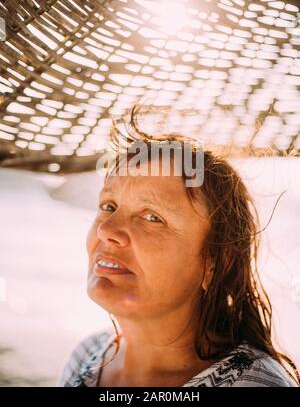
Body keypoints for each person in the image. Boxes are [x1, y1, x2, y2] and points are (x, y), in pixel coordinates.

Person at [58, 103, 299, 387]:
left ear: (217, 261)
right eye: (108, 206)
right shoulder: (86, 357)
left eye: (152, 217)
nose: (107, 230)